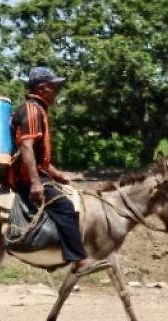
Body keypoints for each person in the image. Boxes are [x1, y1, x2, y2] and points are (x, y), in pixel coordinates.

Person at [7, 66, 109, 277]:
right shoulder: (33, 110)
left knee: (66, 197)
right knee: (63, 206)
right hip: (27, 176)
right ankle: (79, 261)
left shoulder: (38, 109)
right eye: (54, 87)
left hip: (35, 172)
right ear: (42, 88)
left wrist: (56, 173)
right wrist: (35, 183)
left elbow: (41, 159)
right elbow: (26, 147)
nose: (57, 91)